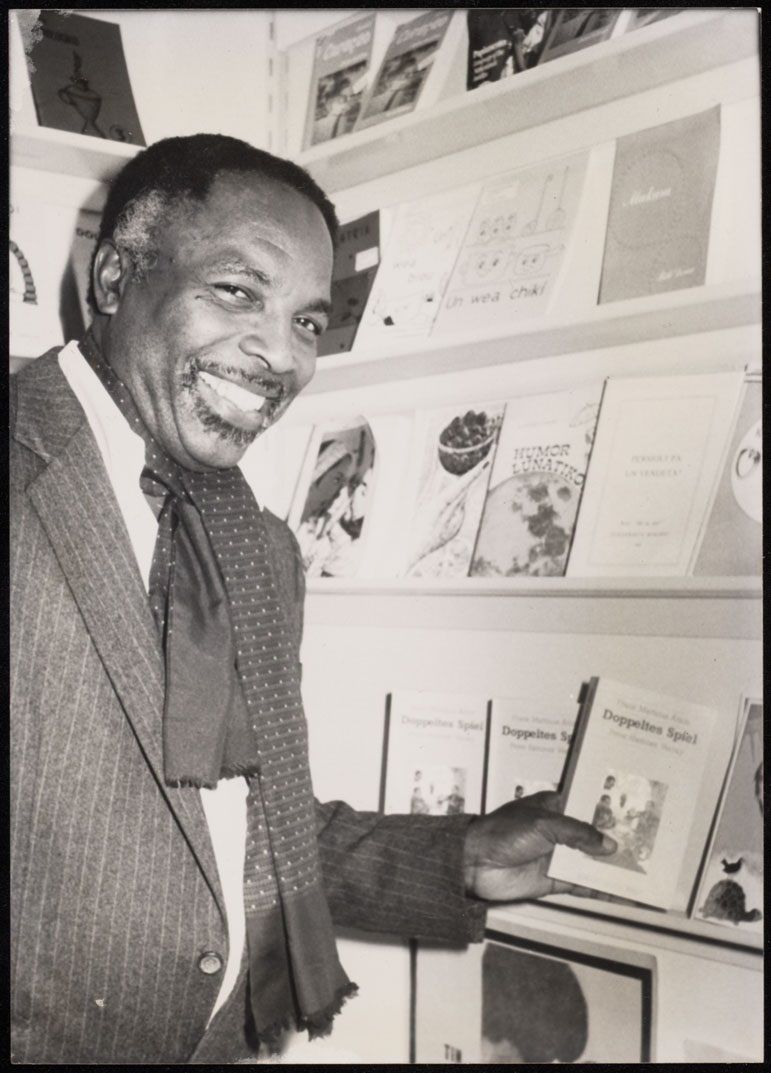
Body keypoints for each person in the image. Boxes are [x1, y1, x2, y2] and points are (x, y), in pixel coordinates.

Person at [10, 133, 616, 1064]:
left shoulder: (257, 546)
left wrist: (457, 856)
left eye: (306, 322)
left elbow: (249, 826)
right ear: (115, 277)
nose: (276, 356)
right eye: (237, 291)